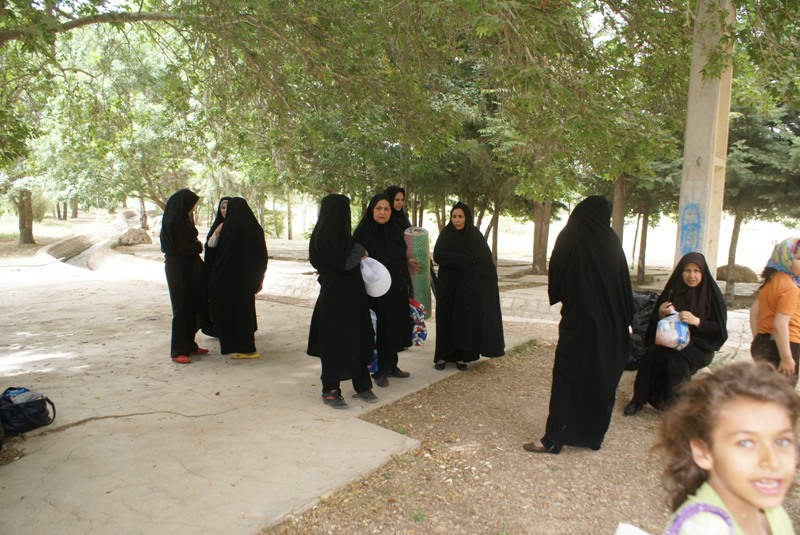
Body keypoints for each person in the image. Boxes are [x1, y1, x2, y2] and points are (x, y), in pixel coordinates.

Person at [523, 195, 633, 454]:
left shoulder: (571, 235)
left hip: (580, 325)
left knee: (568, 377)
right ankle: (592, 436)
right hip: (610, 330)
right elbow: (624, 289)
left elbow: (558, 274)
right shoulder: (611, 241)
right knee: (600, 379)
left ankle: (553, 439)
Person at [656, 361, 798, 534]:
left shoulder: (774, 513)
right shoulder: (703, 529)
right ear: (703, 452)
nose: (772, 461)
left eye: (782, 441)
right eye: (746, 443)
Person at [624, 252, 728, 416]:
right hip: (670, 341)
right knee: (650, 354)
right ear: (681, 272)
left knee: (676, 359)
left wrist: (697, 321)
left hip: (698, 345)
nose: (691, 276)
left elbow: (720, 330)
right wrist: (660, 313)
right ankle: (638, 400)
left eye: (696, 271)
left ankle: (677, 409)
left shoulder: (711, 295)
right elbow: (653, 327)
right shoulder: (673, 291)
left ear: (703, 273)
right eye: (687, 270)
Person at [307, 194, 377, 409]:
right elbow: (343, 264)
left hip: (352, 297)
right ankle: (330, 389)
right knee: (335, 343)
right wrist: (359, 250)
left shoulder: (339, 236)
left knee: (357, 338)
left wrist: (356, 250)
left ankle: (362, 385)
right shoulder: (326, 236)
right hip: (335, 299)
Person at [432, 202, 504, 370]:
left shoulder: (474, 237)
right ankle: (442, 356)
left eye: (460, 217)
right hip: (448, 286)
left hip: (466, 289)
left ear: (467, 218)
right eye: (454, 217)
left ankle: (460, 357)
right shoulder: (446, 235)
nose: (456, 220)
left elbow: (484, 263)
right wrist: (464, 261)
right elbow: (439, 255)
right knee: (446, 318)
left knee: (463, 320)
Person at [353, 193, 413, 387]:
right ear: (372, 210)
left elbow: (399, 254)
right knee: (379, 329)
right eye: (379, 208)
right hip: (375, 293)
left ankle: (391, 365)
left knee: (394, 326)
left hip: (396, 289)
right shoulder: (363, 233)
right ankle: (378, 370)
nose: (383, 212)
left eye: (386, 209)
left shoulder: (395, 229)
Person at [208, 197, 268, 359]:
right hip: (247, 281)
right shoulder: (255, 228)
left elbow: (214, 251)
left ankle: (239, 347)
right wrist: (259, 278)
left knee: (229, 314)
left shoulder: (229, 228)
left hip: (227, 280)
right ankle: (247, 346)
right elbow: (262, 256)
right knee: (244, 313)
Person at [159, 188, 209, 364]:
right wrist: (198, 246)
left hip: (188, 267)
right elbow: (185, 248)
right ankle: (178, 350)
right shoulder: (175, 223)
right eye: (191, 206)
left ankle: (189, 344)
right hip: (179, 269)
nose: (193, 209)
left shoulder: (181, 220)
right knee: (181, 308)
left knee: (192, 304)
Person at [749, 237, 800, 386]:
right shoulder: (790, 288)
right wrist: (786, 358)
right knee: (781, 398)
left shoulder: (771, 281)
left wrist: (758, 338)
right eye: (798, 258)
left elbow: (754, 312)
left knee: (764, 394)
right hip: (785, 345)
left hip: (764, 343)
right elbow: (780, 325)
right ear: (785, 258)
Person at [201, 196, 231, 337]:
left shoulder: (239, 226)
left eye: (228, 207)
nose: (225, 210)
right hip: (217, 271)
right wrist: (217, 232)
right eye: (222, 208)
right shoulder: (218, 225)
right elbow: (210, 246)